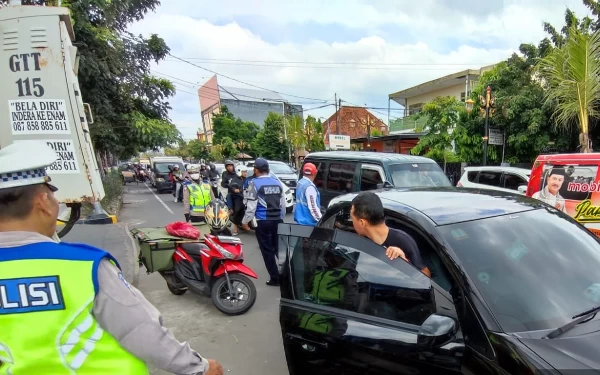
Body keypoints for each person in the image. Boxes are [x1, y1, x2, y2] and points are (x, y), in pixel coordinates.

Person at [0, 141, 223, 375]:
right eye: (54, 197)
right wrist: (199, 367)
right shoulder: (83, 266)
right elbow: (141, 329)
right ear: (43, 203)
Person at [350, 191, 431, 277]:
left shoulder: (402, 240)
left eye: (352, 218)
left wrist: (404, 263)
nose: (352, 222)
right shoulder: (361, 242)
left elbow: (426, 276)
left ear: (362, 222)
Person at [241, 158, 286, 286]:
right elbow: (282, 205)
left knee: (267, 251)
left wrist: (245, 221)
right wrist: (280, 218)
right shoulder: (277, 183)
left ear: (256, 170)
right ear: (268, 169)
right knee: (280, 250)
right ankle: (287, 275)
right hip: (278, 220)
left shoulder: (254, 184)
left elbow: (251, 207)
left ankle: (275, 278)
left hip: (263, 222)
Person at [229, 165, 248, 235]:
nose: (245, 173)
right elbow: (232, 186)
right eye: (244, 172)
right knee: (237, 210)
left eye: (246, 172)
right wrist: (235, 189)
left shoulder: (246, 179)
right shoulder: (235, 179)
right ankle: (235, 228)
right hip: (238, 197)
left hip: (247, 197)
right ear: (239, 171)